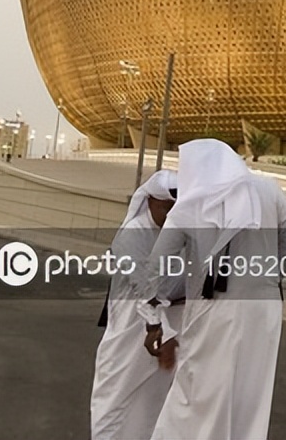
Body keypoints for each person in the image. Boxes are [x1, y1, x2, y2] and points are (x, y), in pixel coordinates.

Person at [139, 138, 286, 440]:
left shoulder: (191, 203)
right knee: (250, 398)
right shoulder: (271, 191)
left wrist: (152, 321)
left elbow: (155, 267)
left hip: (214, 313)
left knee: (196, 395)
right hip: (265, 313)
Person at [91, 171, 180, 440]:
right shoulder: (133, 234)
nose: (170, 215)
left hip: (166, 326)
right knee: (113, 398)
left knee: (153, 402)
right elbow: (145, 288)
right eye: (166, 208)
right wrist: (160, 331)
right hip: (132, 328)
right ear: (150, 200)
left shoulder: (176, 232)